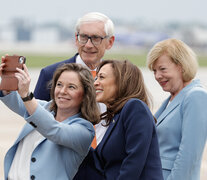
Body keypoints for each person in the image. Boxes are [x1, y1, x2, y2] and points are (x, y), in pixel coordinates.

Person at [0, 58, 100, 180]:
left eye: (71, 87)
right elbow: (13, 99)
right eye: (59, 84)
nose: (63, 91)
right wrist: (7, 80)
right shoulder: (44, 108)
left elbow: (53, 129)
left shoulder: (84, 130)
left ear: (85, 94)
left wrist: (26, 95)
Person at [34, 11, 115, 148]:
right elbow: (35, 120)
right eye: (83, 37)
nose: (88, 45)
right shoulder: (50, 74)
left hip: (104, 161)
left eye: (96, 38)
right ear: (76, 39)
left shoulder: (118, 76)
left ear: (110, 42)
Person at [74, 60, 164, 180]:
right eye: (96, 78)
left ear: (121, 81)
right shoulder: (115, 117)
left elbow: (133, 161)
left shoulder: (135, 107)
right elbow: (98, 163)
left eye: (102, 77)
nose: (95, 83)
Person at [146, 38, 207, 180]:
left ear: (181, 67)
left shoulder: (196, 96)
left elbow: (189, 155)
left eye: (162, 69)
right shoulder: (171, 99)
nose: (157, 76)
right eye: (154, 71)